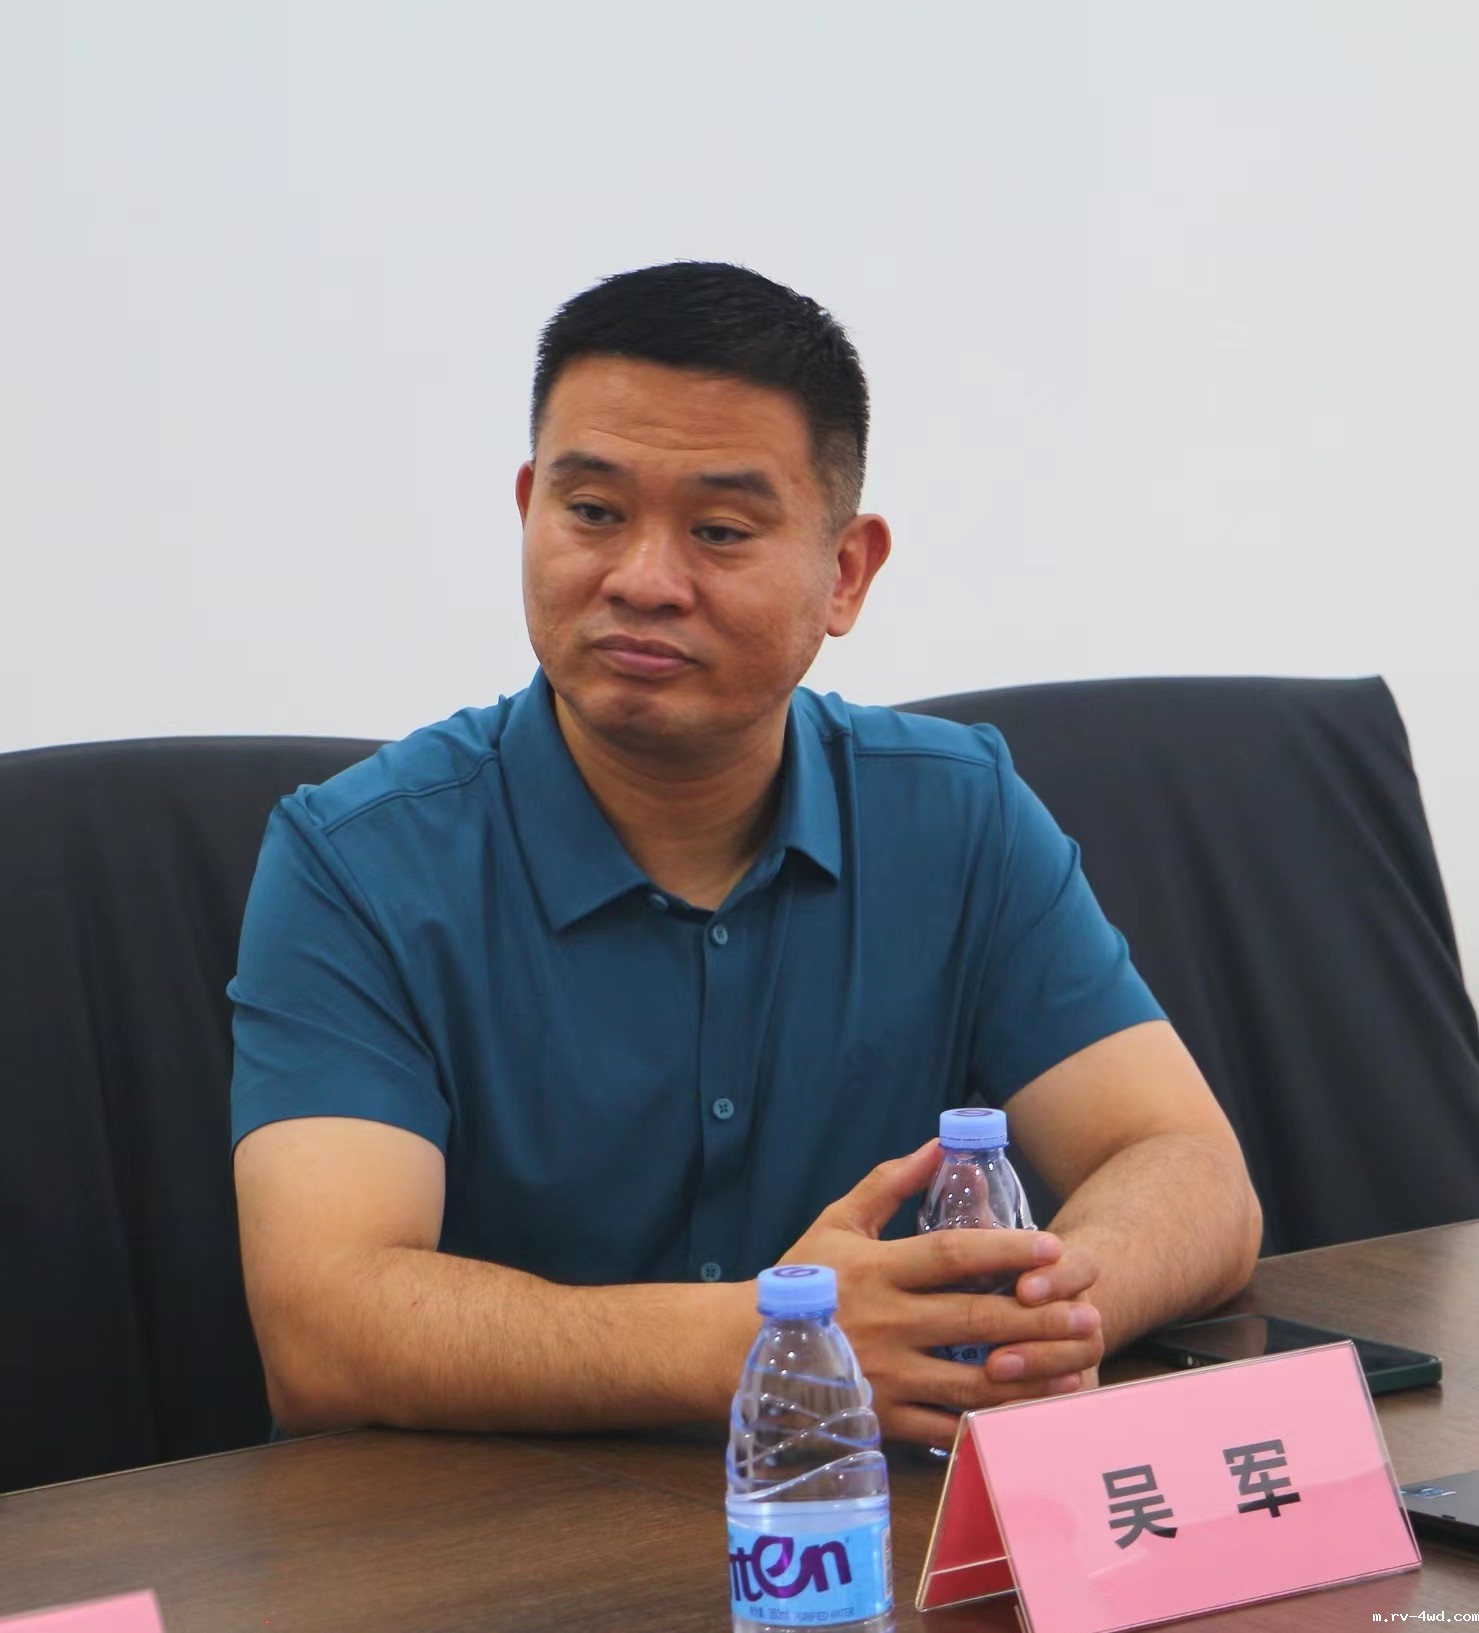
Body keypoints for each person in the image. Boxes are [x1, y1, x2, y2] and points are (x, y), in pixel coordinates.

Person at [230, 261, 1261, 1450]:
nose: (641, 581)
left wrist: (1025, 1320)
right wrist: (785, 1340)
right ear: (527, 507)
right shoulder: (355, 861)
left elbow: (1189, 1168)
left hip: (870, 1517)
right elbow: (322, 1324)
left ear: (845, 573)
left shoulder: (956, 812)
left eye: (718, 531)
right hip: (509, 1535)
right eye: (592, 511)